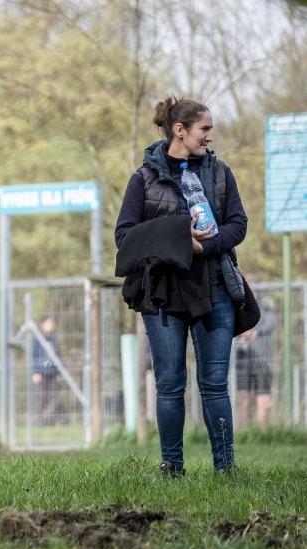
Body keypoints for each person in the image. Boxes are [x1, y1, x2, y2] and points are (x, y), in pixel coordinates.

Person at [115, 97, 247, 476]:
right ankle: (171, 468)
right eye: (204, 129)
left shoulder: (221, 174)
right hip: (162, 294)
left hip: (215, 289)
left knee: (215, 385)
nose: (209, 136)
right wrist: (178, 239)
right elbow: (125, 237)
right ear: (180, 131)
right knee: (170, 384)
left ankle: (226, 468)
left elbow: (238, 224)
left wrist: (205, 245)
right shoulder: (143, 179)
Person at [235, 275, 277, 427]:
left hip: (262, 359)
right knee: (242, 398)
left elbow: (271, 323)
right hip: (242, 359)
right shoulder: (237, 306)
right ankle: (242, 434)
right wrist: (242, 332)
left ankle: (261, 434)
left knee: (263, 398)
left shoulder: (266, 304)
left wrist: (255, 331)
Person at [30, 315, 60, 426]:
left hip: (52, 373)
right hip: (41, 373)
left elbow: (57, 356)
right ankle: (40, 422)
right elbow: (33, 357)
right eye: (49, 322)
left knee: (53, 397)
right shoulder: (36, 339)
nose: (52, 325)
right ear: (42, 324)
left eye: (52, 322)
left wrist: (58, 373)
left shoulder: (53, 338)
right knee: (43, 398)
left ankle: (49, 421)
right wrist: (35, 372)